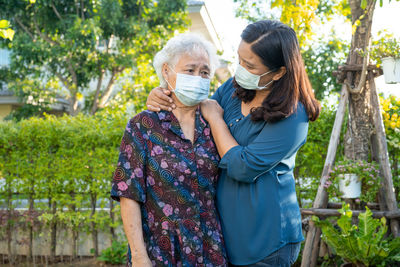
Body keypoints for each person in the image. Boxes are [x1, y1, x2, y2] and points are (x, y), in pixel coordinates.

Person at [146, 20, 320, 266]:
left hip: (264, 240)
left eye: (249, 65)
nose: (240, 69)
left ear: (279, 72)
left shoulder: (293, 116)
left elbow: (242, 167)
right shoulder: (232, 89)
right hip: (225, 235)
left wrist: (216, 120)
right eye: (239, 59)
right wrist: (162, 93)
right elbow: (194, 114)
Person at [111, 33, 227, 267]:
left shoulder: (214, 123)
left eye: (204, 72)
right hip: (160, 250)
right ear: (166, 72)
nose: (198, 77)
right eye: (190, 70)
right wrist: (139, 256)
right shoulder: (143, 126)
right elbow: (128, 194)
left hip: (210, 249)